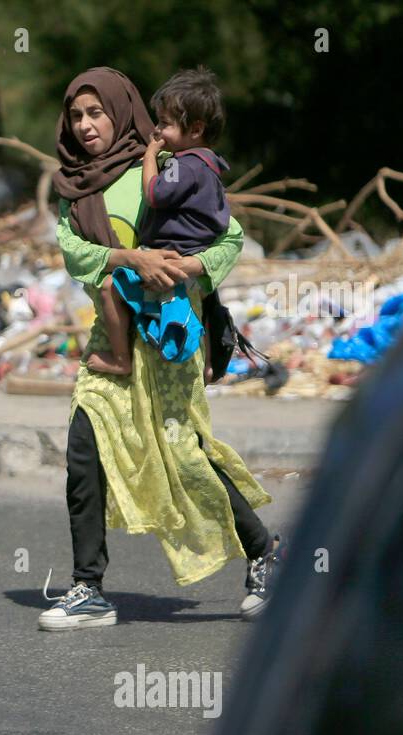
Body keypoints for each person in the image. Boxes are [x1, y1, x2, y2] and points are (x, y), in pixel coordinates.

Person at [38, 66, 283, 632]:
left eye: (96, 113)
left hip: (169, 328)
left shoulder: (167, 165)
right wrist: (131, 259)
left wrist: (189, 267)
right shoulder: (76, 186)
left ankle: (264, 549)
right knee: (85, 448)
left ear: (121, 112)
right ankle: (88, 587)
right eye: (76, 116)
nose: (85, 126)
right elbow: (74, 252)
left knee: (183, 449)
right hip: (113, 330)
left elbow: (229, 236)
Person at [88, 67, 233, 380]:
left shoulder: (185, 165)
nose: (157, 130)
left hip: (171, 260)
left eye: (165, 123)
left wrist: (152, 154)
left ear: (195, 129)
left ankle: (120, 359)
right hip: (192, 261)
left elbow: (154, 193)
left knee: (110, 289)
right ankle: (207, 362)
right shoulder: (210, 165)